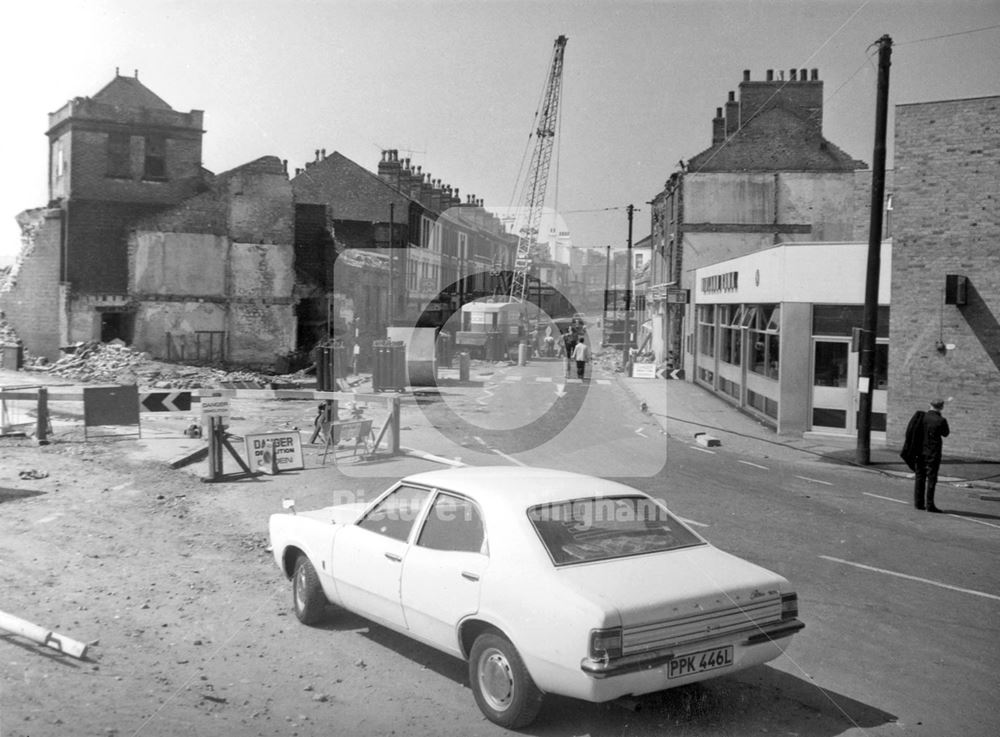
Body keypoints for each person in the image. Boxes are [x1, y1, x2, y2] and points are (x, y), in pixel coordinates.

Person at [912, 399, 950, 513]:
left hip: (920, 451)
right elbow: (946, 433)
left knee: (920, 477)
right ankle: (930, 505)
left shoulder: (921, 417)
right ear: (941, 407)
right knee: (932, 478)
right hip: (933, 453)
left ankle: (918, 503)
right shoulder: (941, 420)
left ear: (930, 405)